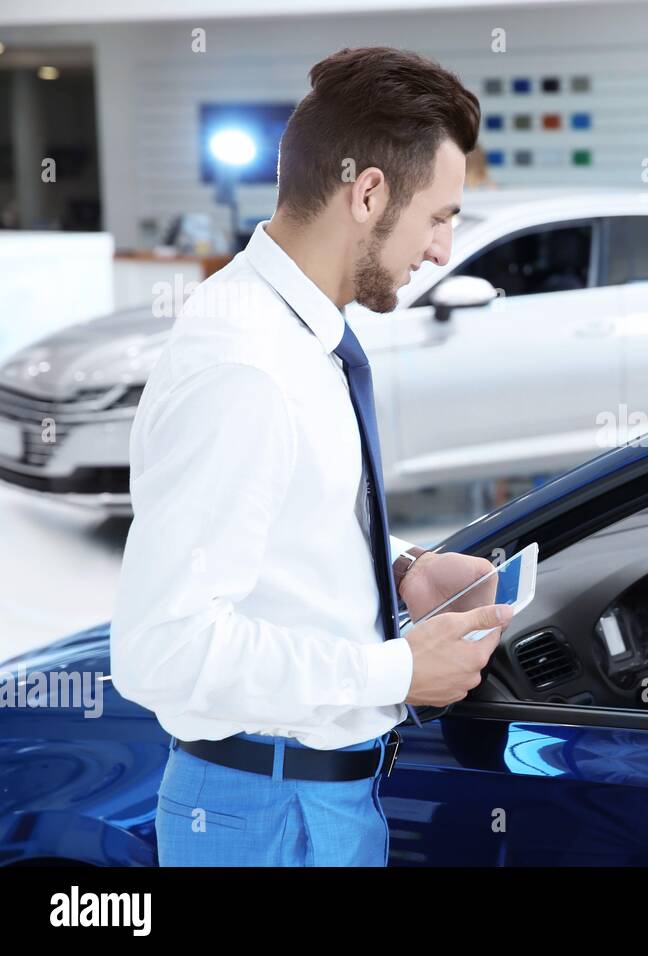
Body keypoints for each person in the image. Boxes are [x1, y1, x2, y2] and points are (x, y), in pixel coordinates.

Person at [110, 47, 506, 866]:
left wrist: (399, 570)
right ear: (368, 194)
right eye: (439, 217)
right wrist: (394, 672)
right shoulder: (246, 366)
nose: (441, 250)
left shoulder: (296, 334)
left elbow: (285, 522)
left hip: (309, 799)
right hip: (269, 813)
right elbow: (163, 649)